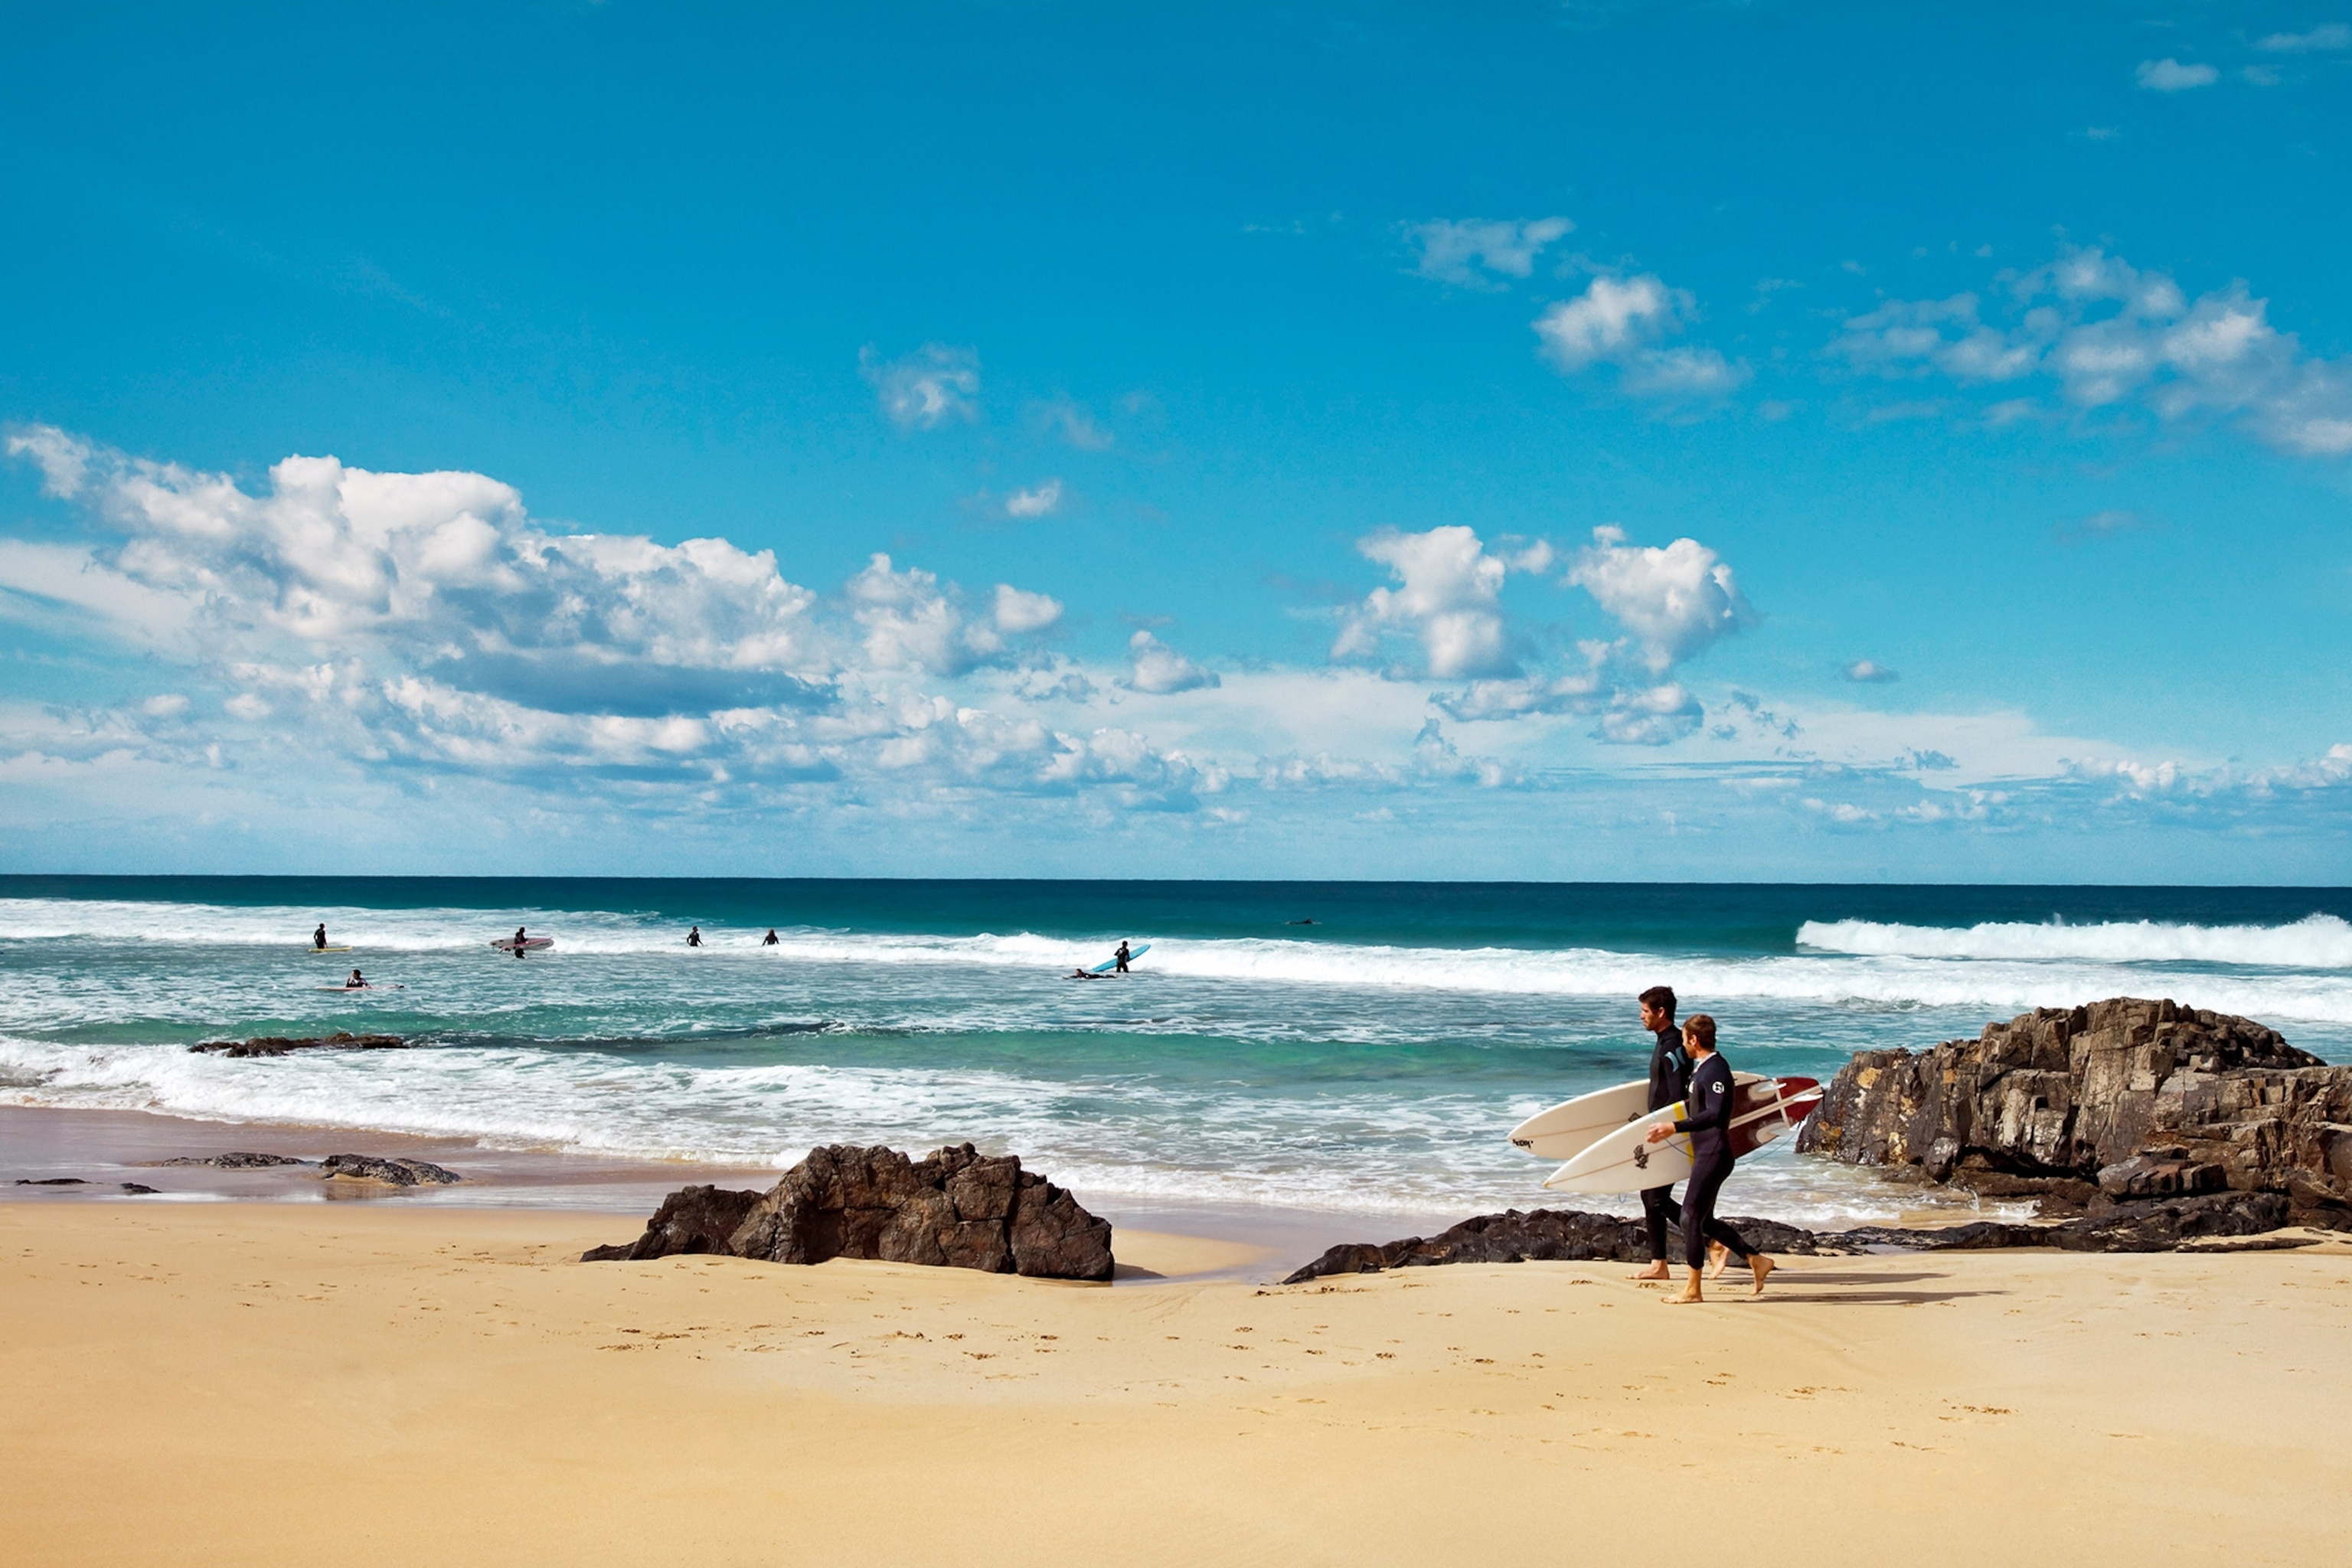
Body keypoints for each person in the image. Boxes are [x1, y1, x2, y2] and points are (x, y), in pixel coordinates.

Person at [1646, 1013, 1773, 1302]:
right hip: (1706, 1152)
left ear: (1694, 1040)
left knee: (1690, 1217)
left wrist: (1673, 1127)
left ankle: (1693, 1289)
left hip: (1714, 1152)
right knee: (1700, 1219)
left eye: (1684, 1040)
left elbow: (1715, 1114)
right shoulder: (1703, 1068)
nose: (1683, 1045)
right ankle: (1756, 1259)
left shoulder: (1715, 1069)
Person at [1628, 985, 1693, 1282]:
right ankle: (1659, 1264)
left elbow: (1679, 1093)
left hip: (1669, 1131)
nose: (1641, 1016)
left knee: (1655, 1198)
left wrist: (1667, 1128)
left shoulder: (1672, 1047)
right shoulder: (1664, 1042)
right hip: (1660, 1128)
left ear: (1661, 1012)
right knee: (1650, 1194)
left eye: (1645, 1011)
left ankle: (1715, 1239)